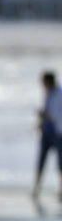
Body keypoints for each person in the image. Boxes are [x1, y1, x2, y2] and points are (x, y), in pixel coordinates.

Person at [34, 71, 62, 200]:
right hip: (46, 131)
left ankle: (60, 189)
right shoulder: (46, 93)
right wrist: (40, 122)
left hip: (58, 133)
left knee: (60, 163)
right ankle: (36, 188)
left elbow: (56, 114)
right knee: (41, 161)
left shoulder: (59, 94)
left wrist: (45, 115)